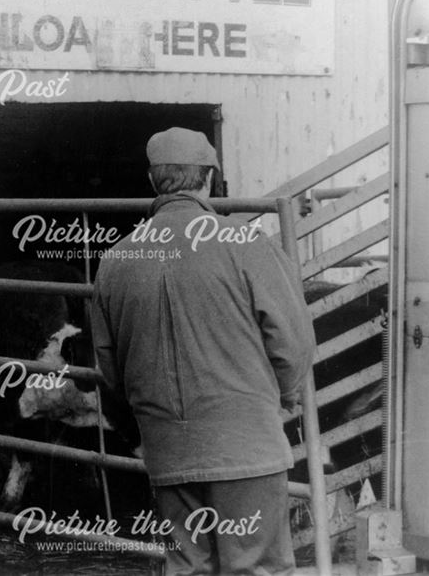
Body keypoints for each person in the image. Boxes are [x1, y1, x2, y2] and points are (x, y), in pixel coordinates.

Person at [90, 127, 315, 576]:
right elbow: (293, 341)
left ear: (153, 182)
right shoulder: (246, 243)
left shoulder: (116, 259)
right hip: (246, 446)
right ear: (209, 179)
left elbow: (109, 371)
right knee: (254, 568)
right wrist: (281, 400)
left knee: (188, 566)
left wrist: (140, 434)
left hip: (170, 450)